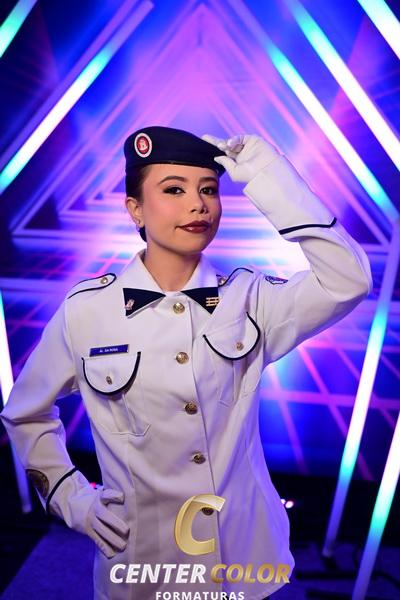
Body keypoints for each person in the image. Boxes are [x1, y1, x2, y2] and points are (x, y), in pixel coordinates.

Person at [0, 125, 372, 600]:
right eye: (174, 190)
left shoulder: (251, 298)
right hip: (143, 564)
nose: (198, 204)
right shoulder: (86, 311)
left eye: (209, 190)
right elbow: (25, 414)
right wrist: (72, 499)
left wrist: (267, 174)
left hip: (242, 557)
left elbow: (348, 280)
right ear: (135, 209)